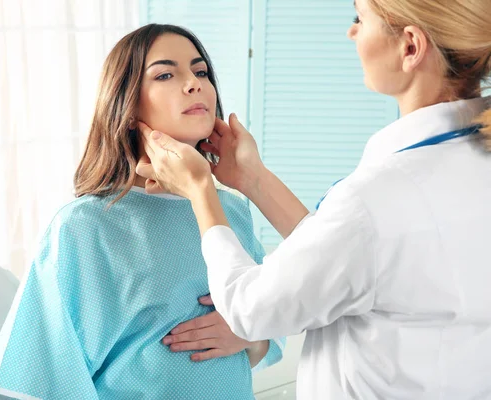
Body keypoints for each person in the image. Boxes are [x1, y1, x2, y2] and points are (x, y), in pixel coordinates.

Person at [135, 0, 491, 398]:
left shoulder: (380, 196)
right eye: (165, 74)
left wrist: (201, 191)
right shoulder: (467, 166)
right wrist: (253, 179)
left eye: (360, 19)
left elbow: (251, 309)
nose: (351, 32)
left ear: (410, 47)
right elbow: (353, 257)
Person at [0, 24, 283, 400]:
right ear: (126, 102)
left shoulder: (232, 211)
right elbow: (39, 375)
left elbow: (267, 336)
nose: (194, 84)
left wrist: (248, 333)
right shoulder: (84, 226)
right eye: (166, 74)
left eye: (200, 71)